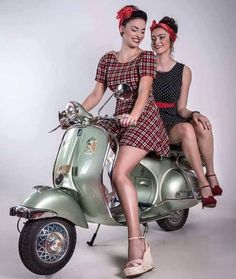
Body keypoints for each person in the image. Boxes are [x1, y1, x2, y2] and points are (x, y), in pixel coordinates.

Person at [82, 5, 169, 277]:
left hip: (142, 121)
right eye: (134, 29)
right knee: (89, 159)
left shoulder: (146, 58)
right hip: (117, 121)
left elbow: (144, 91)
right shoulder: (107, 60)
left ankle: (137, 247)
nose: (140, 35)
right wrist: (77, 113)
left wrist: (133, 114)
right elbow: (97, 93)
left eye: (143, 31)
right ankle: (115, 203)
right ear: (121, 28)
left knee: (119, 172)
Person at [150, 17, 222, 208]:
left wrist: (196, 113)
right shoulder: (147, 66)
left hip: (174, 119)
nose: (157, 42)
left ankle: (211, 173)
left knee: (202, 125)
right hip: (155, 123)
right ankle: (203, 184)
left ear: (171, 39)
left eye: (161, 37)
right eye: (154, 38)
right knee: (187, 130)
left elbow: (181, 108)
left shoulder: (184, 71)